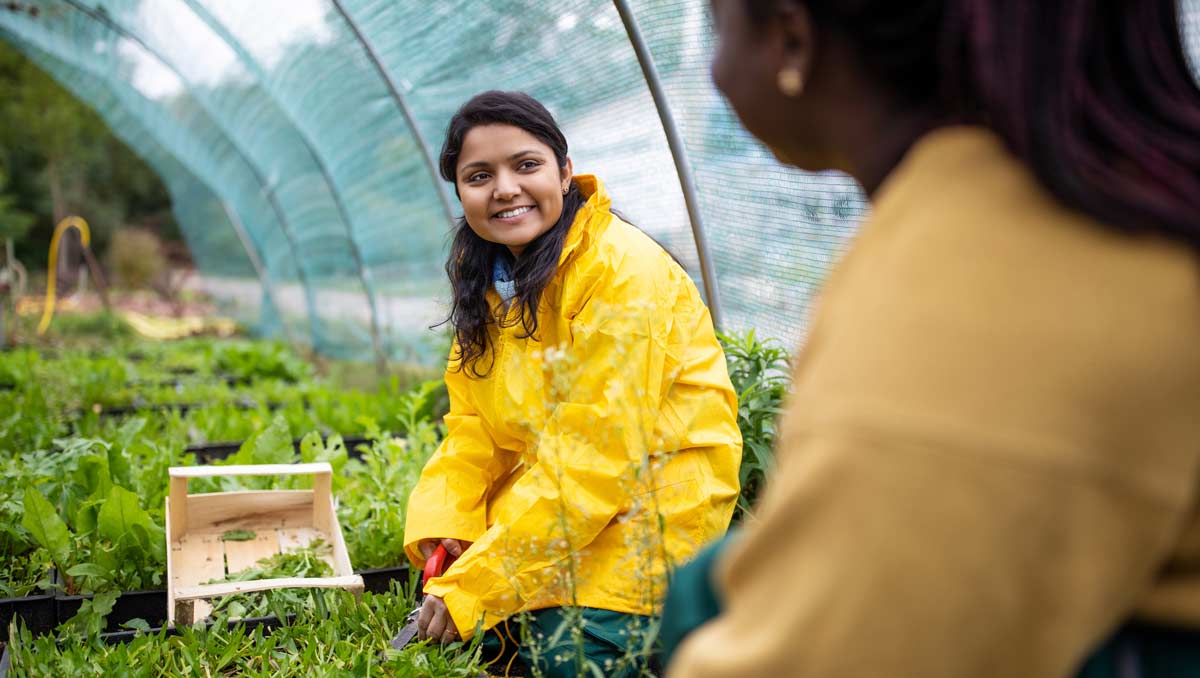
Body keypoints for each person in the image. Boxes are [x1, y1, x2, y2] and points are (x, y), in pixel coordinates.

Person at [664, 1, 1200, 677]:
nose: (714, 67)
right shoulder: (1113, 194)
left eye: (719, 25)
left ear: (791, 38)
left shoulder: (992, 272)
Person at [403, 90, 742, 676]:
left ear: (564, 173)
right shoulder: (490, 280)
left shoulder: (621, 273)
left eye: (525, 165)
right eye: (479, 175)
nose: (504, 188)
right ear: (460, 194)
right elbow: (472, 430)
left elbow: (596, 457)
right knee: (468, 629)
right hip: (569, 512)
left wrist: (477, 584)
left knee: (565, 661)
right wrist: (449, 532)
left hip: (653, 516)